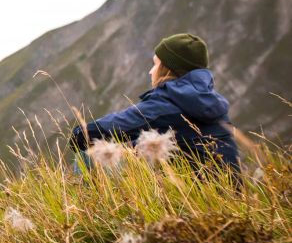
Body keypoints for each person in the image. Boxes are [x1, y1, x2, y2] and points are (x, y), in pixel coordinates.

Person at [70, 33, 240, 176]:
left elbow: (88, 134)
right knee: (140, 148)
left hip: (191, 197)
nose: (150, 71)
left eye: (155, 63)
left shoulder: (167, 104)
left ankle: (88, 212)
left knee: (86, 156)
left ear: (168, 68)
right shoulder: (211, 102)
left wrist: (78, 134)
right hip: (228, 195)